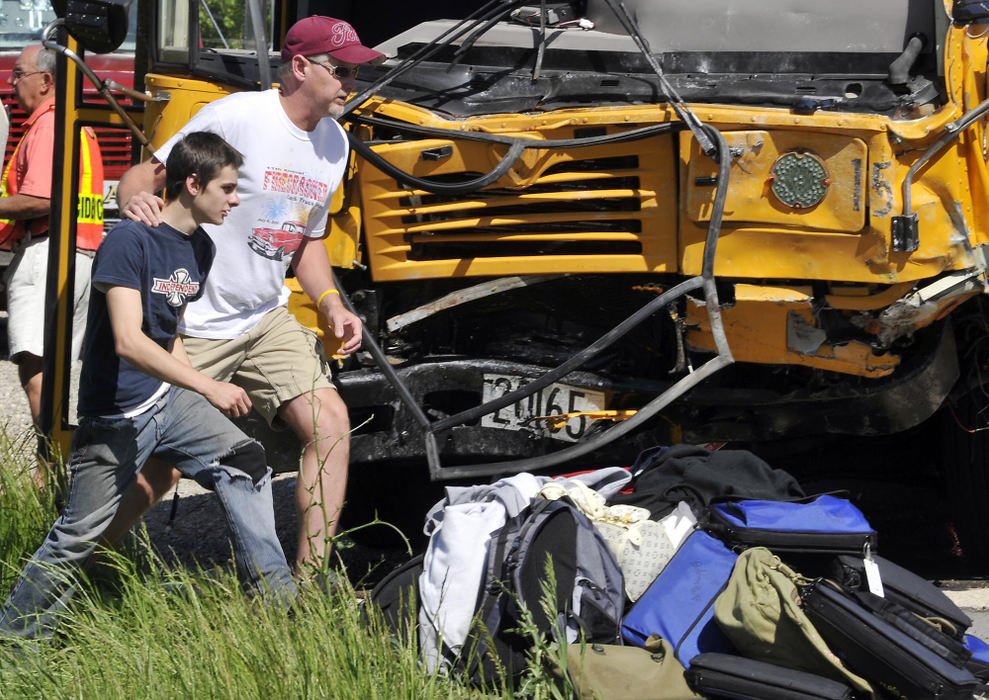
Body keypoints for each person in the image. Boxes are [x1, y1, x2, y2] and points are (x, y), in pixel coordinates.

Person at [0, 131, 296, 642]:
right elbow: (129, 341)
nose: (235, 199)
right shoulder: (129, 240)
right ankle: (15, 639)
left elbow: (169, 329)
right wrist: (210, 385)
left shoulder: (199, 247)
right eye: (227, 189)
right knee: (76, 536)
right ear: (193, 183)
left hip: (169, 401)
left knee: (244, 460)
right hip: (116, 412)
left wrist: (195, 394)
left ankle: (281, 606)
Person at [112, 16, 379, 577]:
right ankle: (78, 564)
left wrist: (331, 301)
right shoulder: (238, 116)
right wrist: (135, 204)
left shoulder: (334, 144)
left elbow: (304, 237)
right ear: (301, 67)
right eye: (342, 69)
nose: (351, 82)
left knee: (329, 422)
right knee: (160, 470)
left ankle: (309, 590)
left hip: (263, 318)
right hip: (196, 322)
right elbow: (143, 176)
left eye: (356, 70)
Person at [0, 45, 104, 478]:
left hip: (48, 253)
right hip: (79, 253)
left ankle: (56, 472)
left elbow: (41, 197)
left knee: (36, 369)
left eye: (17, 74)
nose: (11, 84)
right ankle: (61, 468)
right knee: (56, 370)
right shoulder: (79, 125)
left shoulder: (47, 125)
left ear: (46, 81)